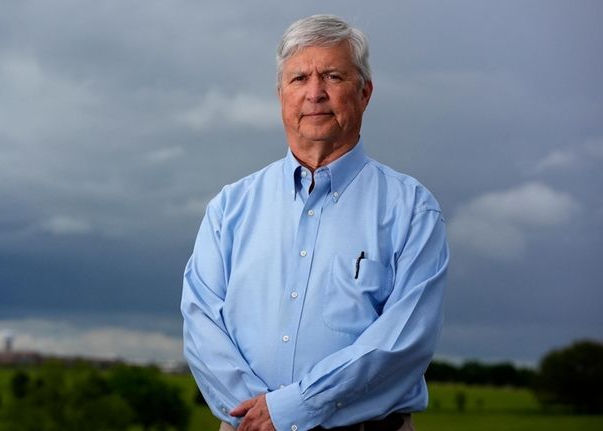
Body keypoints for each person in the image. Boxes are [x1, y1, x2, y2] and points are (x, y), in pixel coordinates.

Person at [181, 14, 448, 431]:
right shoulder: (230, 207)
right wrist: (257, 415)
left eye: (333, 76)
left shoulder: (412, 209)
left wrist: (291, 410)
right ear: (280, 95)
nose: (315, 93)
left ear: (365, 93)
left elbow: (403, 342)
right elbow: (201, 321)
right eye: (299, 78)